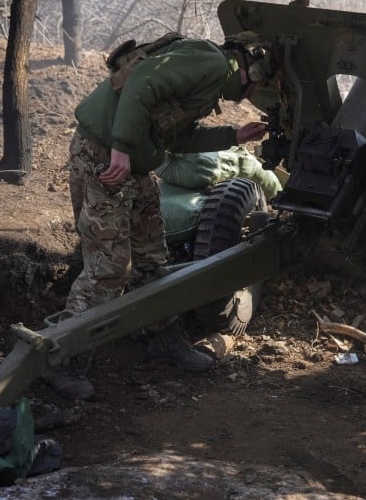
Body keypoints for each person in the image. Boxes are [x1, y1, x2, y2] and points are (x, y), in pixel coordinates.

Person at [50, 31, 274, 400]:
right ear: (252, 67)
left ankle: (163, 337)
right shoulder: (212, 62)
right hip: (103, 156)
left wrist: (235, 135)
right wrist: (121, 148)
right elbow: (143, 80)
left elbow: (178, 139)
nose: (253, 94)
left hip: (132, 164)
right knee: (108, 266)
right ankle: (65, 359)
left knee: (151, 257)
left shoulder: (209, 81)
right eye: (257, 85)